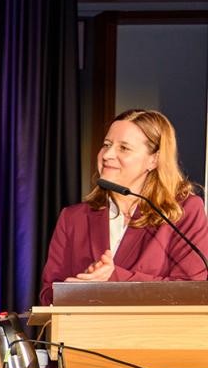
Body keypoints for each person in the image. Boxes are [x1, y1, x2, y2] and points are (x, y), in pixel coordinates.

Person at [40, 108, 208, 305]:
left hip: (156, 334)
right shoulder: (73, 218)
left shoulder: (184, 211)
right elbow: (47, 294)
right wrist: (74, 289)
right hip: (84, 333)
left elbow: (191, 291)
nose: (107, 154)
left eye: (124, 148)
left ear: (153, 159)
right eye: (106, 144)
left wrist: (114, 278)